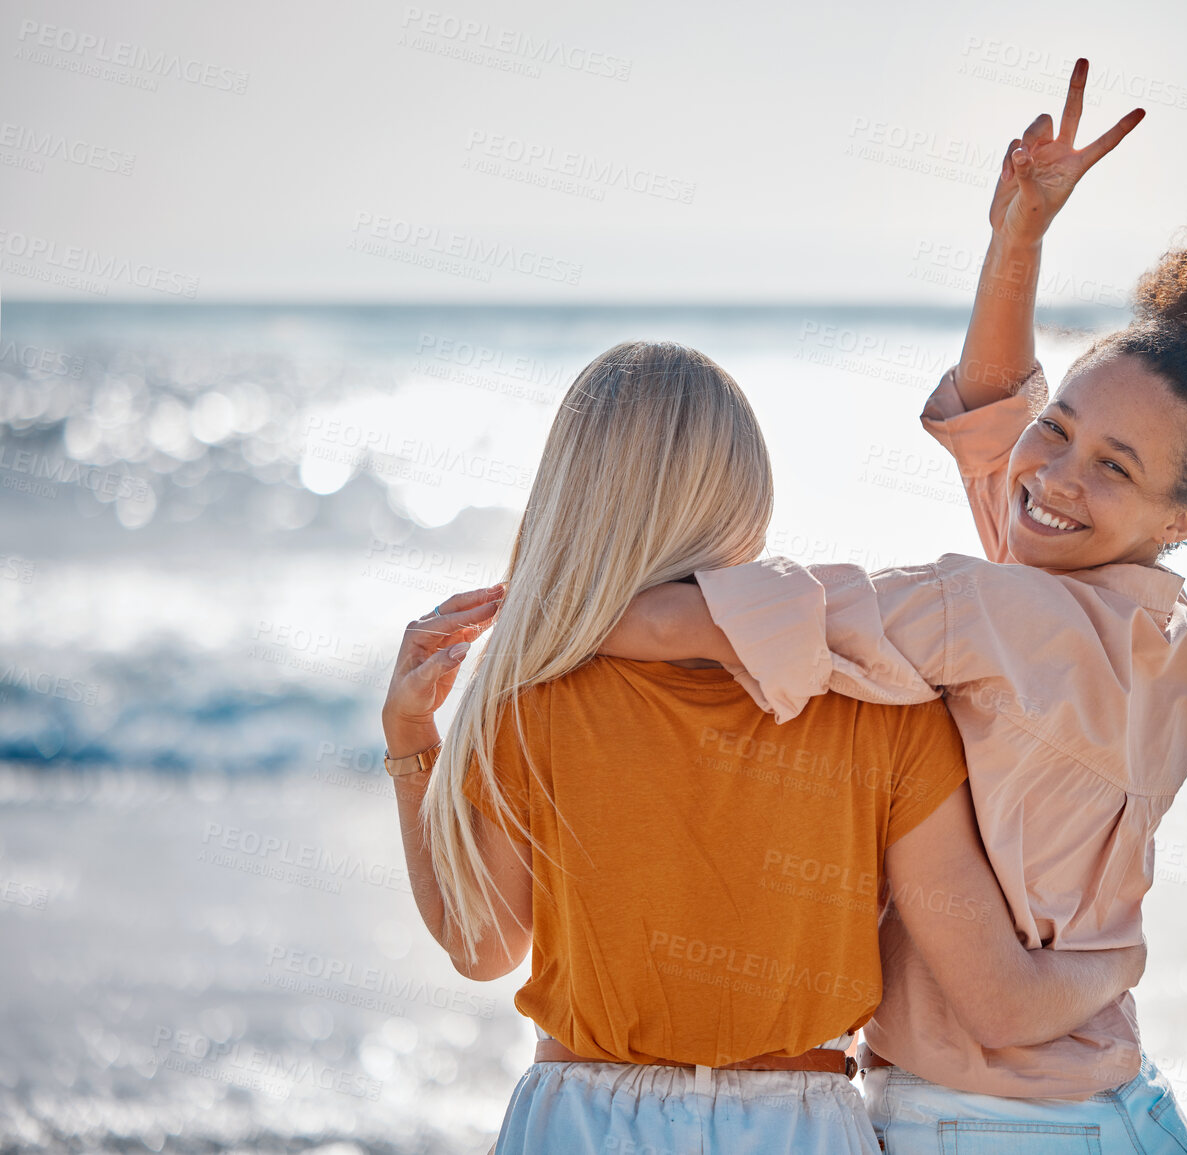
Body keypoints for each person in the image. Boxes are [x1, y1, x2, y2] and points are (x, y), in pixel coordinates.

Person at [601, 59, 1187, 1152]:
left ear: (1178, 515)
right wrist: (1019, 240)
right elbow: (1003, 433)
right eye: (1065, 429)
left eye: (1114, 467)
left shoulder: (1003, 613)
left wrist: (557, 619)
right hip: (1107, 1105)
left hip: (999, 1128)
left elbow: (735, 619)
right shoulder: (1155, 633)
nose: (1054, 478)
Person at [378, 340, 1148, 1154]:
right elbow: (993, 991)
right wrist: (1119, 960)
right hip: (796, 1123)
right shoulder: (874, 698)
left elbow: (481, 946)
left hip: (580, 1119)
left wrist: (409, 743)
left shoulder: (534, 696)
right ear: (745, 490)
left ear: (570, 492)